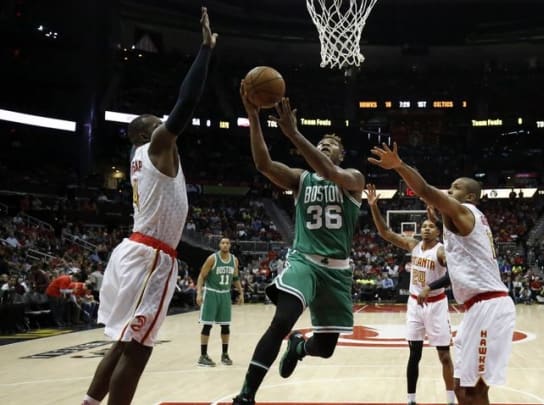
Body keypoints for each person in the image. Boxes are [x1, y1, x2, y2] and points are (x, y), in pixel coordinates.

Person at [81, 7, 216, 405]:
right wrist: (205, 51)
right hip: (152, 258)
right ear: (148, 131)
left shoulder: (142, 159)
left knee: (123, 343)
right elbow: (187, 100)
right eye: (160, 122)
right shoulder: (156, 145)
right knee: (138, 351)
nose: (167, 126)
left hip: (136, 251)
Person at [233, 93, 364, 405]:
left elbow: (331, 172)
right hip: (303, 260)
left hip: (337, 271)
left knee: (326, 347)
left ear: (342, 155)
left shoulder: (353, 179)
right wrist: (254, 117)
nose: (323, 147)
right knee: (282, 320)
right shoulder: (300, 178)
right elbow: (263, 163)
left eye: (330, 146)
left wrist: (293, 133)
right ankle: (246, 395)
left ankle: (300, 348)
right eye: (320, 144)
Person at [368, 143, 515, 405]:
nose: (450, 189)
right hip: (476, 307)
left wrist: (399, 166)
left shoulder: (465, 212)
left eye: (456, 187)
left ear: (470, 197)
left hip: (488, 306)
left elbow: (424, 190)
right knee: (462, 388)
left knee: (473, 391)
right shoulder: (457, 220)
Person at [365, 183, 455, 405]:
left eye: (430, 227)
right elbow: (385, 232)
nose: (425, 228)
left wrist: (430, 287)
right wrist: (374, 207)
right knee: (414, 354)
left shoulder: (441, 250)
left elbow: (454, 276)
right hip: (415, 306)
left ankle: (451, 399)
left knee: (444, 356)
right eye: (423, 226)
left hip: (436, 304)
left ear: (437, 231)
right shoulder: (413, 245)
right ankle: (411, 400)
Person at [196, 237, 243, 367]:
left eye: (227, 243)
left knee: (226, 326)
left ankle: (225, 354)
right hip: (211, 293)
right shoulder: (212, 258)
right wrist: (199, 293)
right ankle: (203, 355)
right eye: (223, 243)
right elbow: (201, 276)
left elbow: (235, 277)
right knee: (207, 325)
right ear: (219, 245)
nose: (225, 245)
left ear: (230, 245)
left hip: (225, 295)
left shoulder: (234, 260)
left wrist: (241, 292)